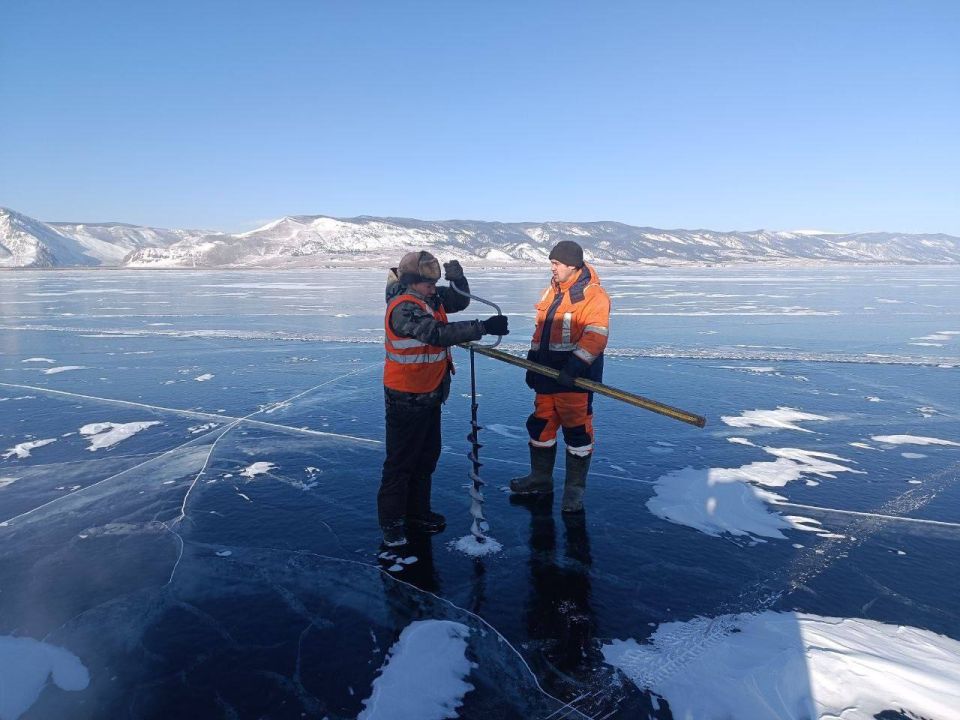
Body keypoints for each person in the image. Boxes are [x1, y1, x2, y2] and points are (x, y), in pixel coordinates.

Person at [380, 250, 509, 547]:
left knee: (426, 458)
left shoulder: (429, 296)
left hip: (430, 392)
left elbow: (458, 300)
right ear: (412, 282)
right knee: (400, 464)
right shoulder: (403, 307)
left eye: (436, 282)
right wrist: (483, 328)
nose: (434, 289)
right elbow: (435, 332)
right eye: (429, 283)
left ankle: (417, 514)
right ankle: (392, 524)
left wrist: (458, 279)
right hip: (405, 396)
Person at [510, 240, 610, 512]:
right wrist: (532, 363)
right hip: (545, 376)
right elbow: (540, 331)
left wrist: (574, 368)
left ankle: (574, 491)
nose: (552, 268)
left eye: (556, 264)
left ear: (572, 265)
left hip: (574, 380)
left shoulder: (592, 295)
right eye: (551, 263)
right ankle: (541, 479)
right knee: (541, 426)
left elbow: (595, 337)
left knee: (577, 431)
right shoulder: (551, 292)